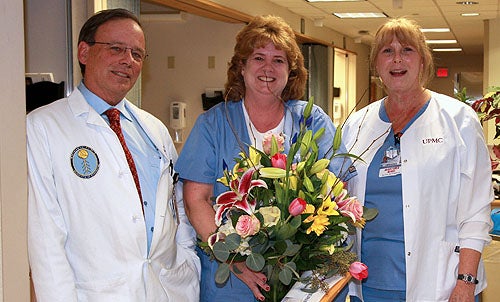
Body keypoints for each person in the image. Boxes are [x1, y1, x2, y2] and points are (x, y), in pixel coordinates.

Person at [175, 15, 355, 302]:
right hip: (231, 279)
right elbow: (196, 199)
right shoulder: (214, 125)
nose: (268, 68)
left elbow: (338, 188)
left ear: (291, 71)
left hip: (300, 275)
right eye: (259, 57)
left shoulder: (311, 121)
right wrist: (234, 261)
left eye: (279, 60)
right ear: (242, 66)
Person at [27, 8, 200, 302]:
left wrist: (188, 262)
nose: (127, 61)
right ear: (84, 51)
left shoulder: (153, 129)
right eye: (116, 48)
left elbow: (178, 208)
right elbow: (45, 237)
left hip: (168, 289)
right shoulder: (42, 127)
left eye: (137, 54)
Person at [342, 17, 493, 301]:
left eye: (407, 50)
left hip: (442, 283)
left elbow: (476, 211)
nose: (397, 59)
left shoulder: (458, 119)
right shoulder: (357, 125)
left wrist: (466, 281)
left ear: (423, 61)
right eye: (387, 51)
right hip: (370, 284)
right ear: (377, 65)